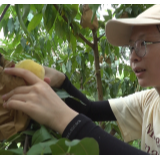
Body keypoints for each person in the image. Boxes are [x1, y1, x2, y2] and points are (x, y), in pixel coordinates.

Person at [2, 4, 160, 155]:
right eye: (131, 46)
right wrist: (63, 81)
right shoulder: (149, 101)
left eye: (143, 43)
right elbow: (90, 110)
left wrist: (64, 119)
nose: (133, 56)